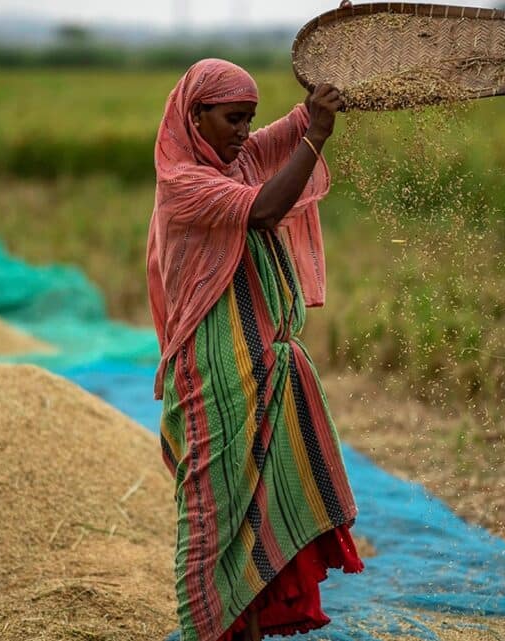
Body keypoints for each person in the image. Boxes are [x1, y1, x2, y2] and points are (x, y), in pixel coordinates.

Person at [146, 56, 362, 641]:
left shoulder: (235, 160)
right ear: (195, 117)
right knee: (211, 515)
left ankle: (245, 626)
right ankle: (204, 630)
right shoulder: (184, 183)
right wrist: (316, 137)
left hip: (260, 362)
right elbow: (265, 210)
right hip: (214, 373)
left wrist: (325, 96)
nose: (244, 132)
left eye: (249, 119)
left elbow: (288, 131)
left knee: (259, 505)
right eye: (232, 119)